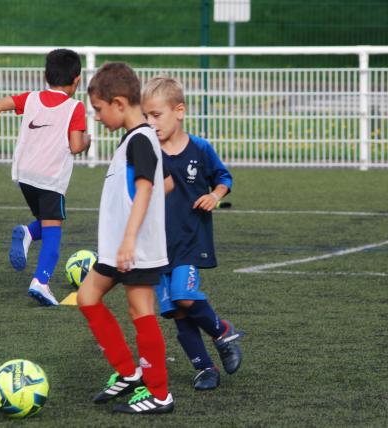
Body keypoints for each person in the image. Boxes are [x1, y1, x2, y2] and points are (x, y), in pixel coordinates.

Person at [77, 62, 174, 414]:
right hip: (117, 247)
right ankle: (129, 373)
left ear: (119, 103)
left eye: (99, 110)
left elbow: (145, 189)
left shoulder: (142, 140)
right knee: (87, 297)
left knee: (141, 309)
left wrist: (131, 239)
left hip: (134, 247)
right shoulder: (132, 140)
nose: (98, 118)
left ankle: (160, 393)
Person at [142, 76, 244, 391]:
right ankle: (204, 368)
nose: (150, 122)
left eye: (156, 115)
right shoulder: (147, 152)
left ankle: (222, 331)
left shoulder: (200, 148)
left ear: (180, 111)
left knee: (184, 296)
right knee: (175, 311)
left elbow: (223, 177)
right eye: (146, 116)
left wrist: (216, 195)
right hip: (157, 245)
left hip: (190, 238)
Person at [0, 48, 90, 306]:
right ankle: (41, 282)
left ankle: (26, 233)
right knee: (53, 232)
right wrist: (88, 140)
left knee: (47, 223)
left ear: (45, 75)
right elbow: (76, 146)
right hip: (50, 179)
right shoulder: (75, 107)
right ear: (77, 80)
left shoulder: (32, 98)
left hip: (24, 175)